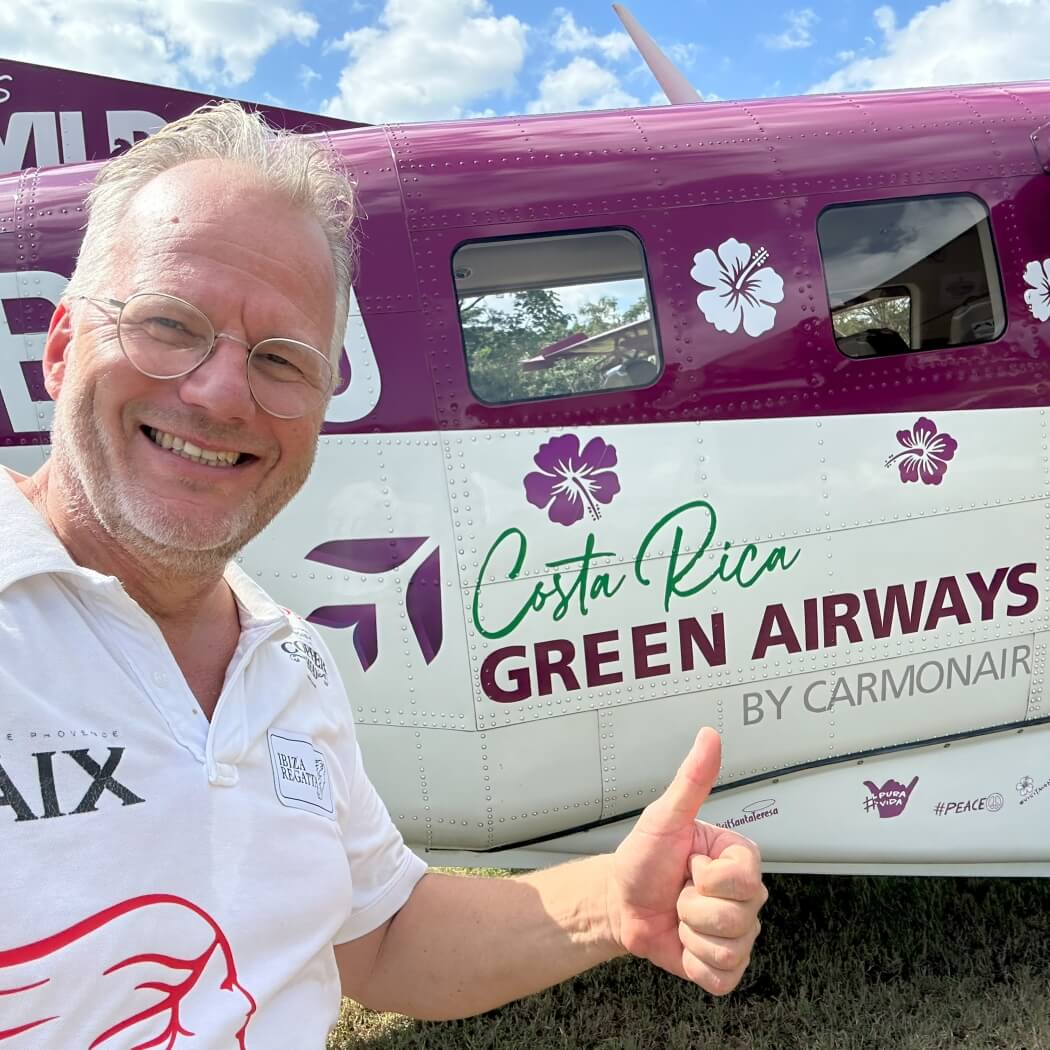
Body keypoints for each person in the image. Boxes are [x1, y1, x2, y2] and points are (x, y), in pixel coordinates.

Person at [0, 103, 766, 1046]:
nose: (219, 392)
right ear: (63, 345)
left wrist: (611, 902)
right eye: (168, 324)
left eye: (282, 360)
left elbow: (385, 936)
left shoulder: (286, 664)